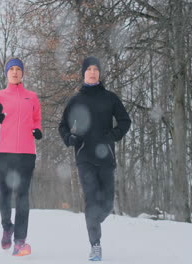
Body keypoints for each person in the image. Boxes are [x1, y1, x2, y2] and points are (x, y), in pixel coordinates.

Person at [59, 56, 131, 261]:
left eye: (96, 69)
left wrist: (112, 137)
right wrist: (69, 139)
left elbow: (125, 121)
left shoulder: (110, 98)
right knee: (91, 201)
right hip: (85, 158)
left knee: (107, 204)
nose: (92, 72)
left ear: (99, 73)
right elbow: (62, 126)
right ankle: (95, 244)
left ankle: (93, 221)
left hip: (106, 157)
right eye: (89, 69)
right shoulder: (76, 99)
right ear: (83, 73)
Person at [0, 57, 42, 257]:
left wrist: (37, 130)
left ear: (22, 73)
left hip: (26, 154)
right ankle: (7, 227)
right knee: (5, 194)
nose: (15, 72)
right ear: (7, 73)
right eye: (11, 69)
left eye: (18, 69)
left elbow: (36, 120)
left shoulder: (31, 97)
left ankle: (20, 242)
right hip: (4, 153)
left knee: (23, 197)